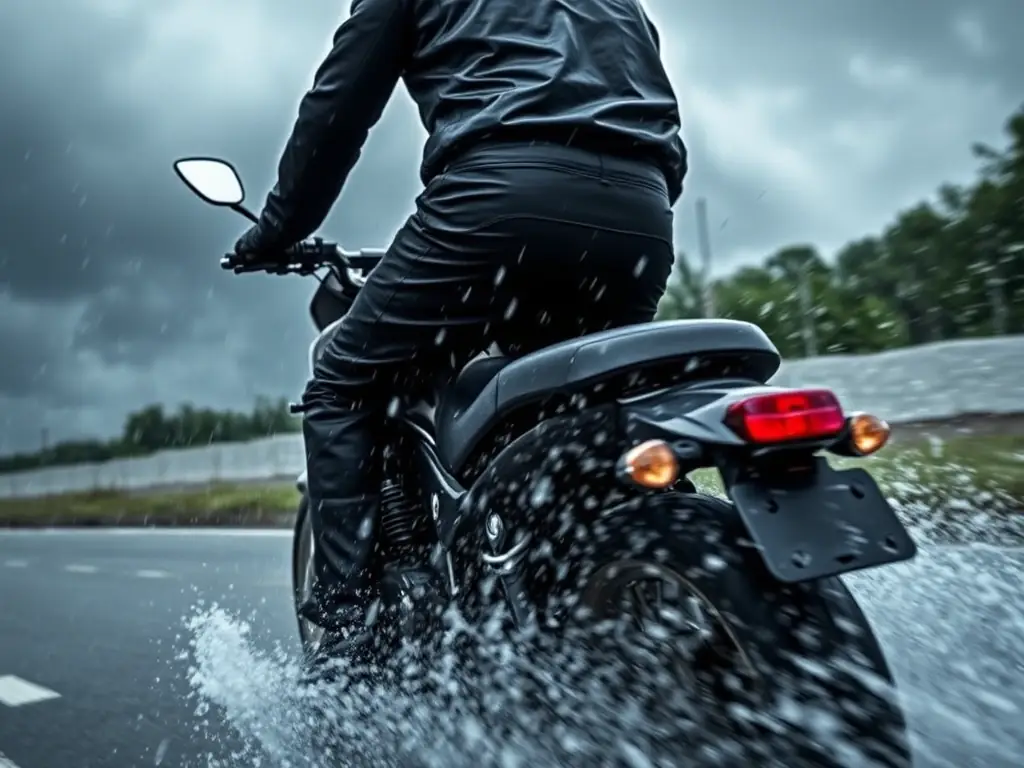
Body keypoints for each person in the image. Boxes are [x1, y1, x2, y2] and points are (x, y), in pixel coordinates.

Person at [232, 0, 687, 679]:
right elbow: (656, 103)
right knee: (588, 406)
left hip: (497, 199)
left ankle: (352, 633)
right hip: (642, 216)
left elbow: (337, 112)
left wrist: (274, 230)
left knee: (341, 379)